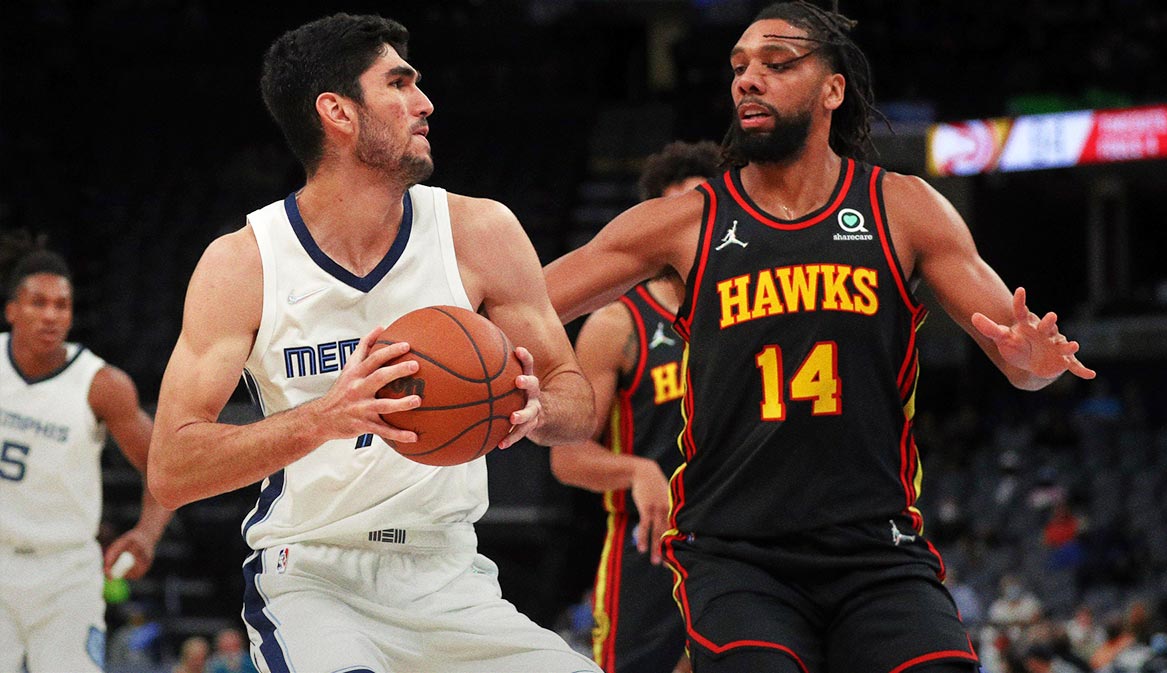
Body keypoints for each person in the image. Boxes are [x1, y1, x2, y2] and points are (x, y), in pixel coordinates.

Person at [542, 2, 1095, 671]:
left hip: (877, 551)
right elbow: (528, 300)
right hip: (738, 553)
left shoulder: (904, 207)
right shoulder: (682, 223)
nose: (748, 79)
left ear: (833, 89)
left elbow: (1022, 360)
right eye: (739, 67)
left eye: (776, 64)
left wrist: (1034, 366)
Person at [146, 13, 598, 673]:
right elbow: (171, 468)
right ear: (338, 112)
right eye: (399, 84)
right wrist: (325, 417)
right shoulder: (244, 264)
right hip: (313, 575)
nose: (425, 102)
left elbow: (576, 397)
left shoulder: (480, 231)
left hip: (449, 573)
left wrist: (540, 409)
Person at [550, 140, 721, 673]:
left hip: (742, 538)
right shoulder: (617, 323)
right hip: (650, 549)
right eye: (673, 212)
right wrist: (637, 469)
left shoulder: (755, 305)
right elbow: (567, 456)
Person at [0, 234, 172, 673]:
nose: (51, 315)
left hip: (65, 573)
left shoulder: (101, 384)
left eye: (62, 305)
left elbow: (167, 466)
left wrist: (147, 534)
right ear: (11, 311)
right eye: (38, 303)